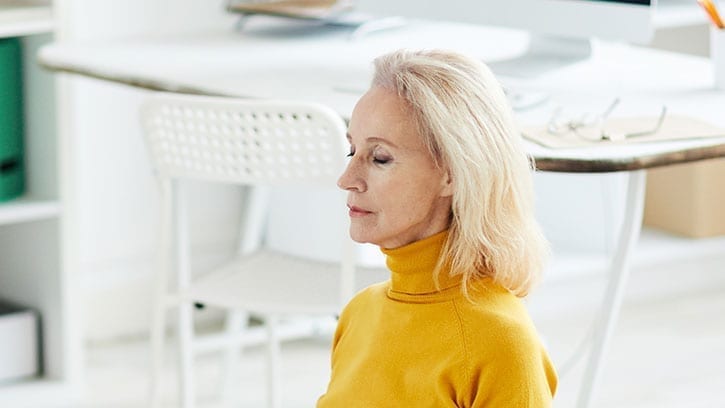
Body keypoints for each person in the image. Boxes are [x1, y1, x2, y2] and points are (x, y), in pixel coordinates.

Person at [317, 49, 558, 407]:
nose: (347, 179)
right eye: (353, 151)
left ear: (452, 173)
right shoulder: (359, 313)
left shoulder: (501, 343)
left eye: (380, 158)